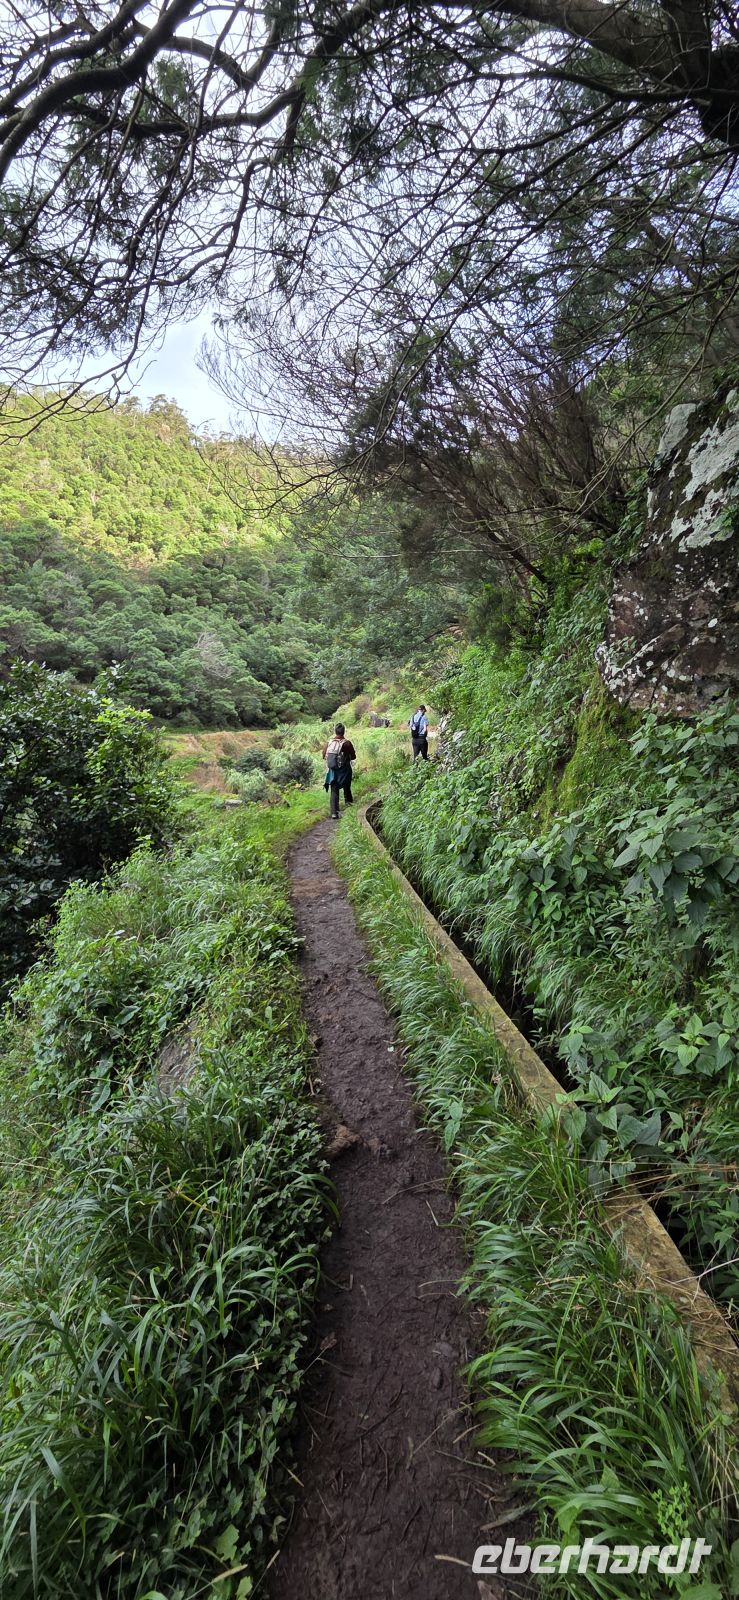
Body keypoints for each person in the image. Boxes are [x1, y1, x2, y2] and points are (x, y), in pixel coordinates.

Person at [323, 723, 356, 819]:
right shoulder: (347, 743)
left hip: (333, 771)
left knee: (334, 791)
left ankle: (334, 813)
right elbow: (353, 757)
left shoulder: (329, 743)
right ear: (344, 731)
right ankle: (349, 809)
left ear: (335, 731)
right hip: (345, 770)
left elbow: (324, 756)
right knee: (347, 788)